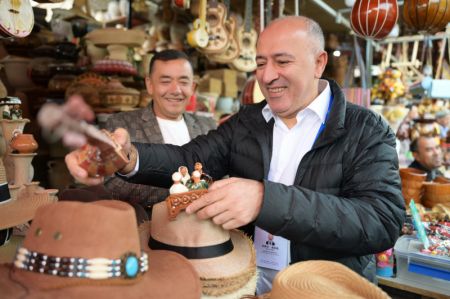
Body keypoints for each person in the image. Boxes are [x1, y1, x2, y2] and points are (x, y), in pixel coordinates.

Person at [65, 16, 405, 292]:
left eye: (282, 61)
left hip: (323, 291)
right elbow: (190, 159)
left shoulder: (367, 130)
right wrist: (128, 156)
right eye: (260, 63)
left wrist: (264, 199)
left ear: (318, 63)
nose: (268, 76)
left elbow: (380, 220)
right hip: (248, 285)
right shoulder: (248, 121)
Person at [103, 50, 216, 216]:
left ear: (193, 87)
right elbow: (112, 184)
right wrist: (185, 189)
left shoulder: (208, 126)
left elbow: (224, 174)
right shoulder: (122, 125)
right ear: (150, 85)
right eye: (165, 81)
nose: (176, 90)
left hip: (202, 230)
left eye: (183, 82)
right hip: (147, 228)